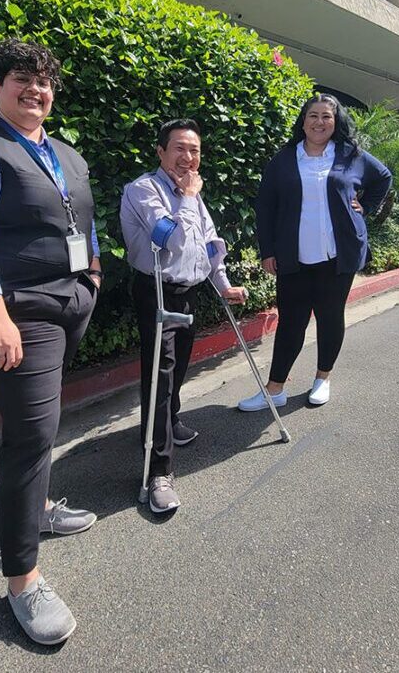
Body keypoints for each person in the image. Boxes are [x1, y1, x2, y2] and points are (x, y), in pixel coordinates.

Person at [0, 39, 102, 645]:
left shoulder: (66, 153)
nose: (35, 90)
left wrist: (94, 274)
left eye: (44, 82)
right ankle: (23, 579)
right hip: (18, 311)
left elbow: (83, 219)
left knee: (45, 422)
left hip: (71, 301)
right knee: (30, 435)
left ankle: (37, 508)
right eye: (21, 79)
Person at [120, 119, 247, 513]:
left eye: (194, 150)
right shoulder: (144, 190)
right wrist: (189, 199)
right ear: (161, 152)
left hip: (189, 293)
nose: (188, 158)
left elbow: (209, 243)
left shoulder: (194, 194)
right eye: (179, 148)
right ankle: (158, 471)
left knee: (178, 368)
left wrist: (223, 284)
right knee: (160, 374)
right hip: (156, 290)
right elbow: (168, 239)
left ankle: (167, 424)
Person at [238, 93, 392, 411]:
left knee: (329, 317)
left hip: (339, 255)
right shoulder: (283, 160)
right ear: (303, 121)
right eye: (313, 115)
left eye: (326, 116)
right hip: (294, 256)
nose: (319, 122)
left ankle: (322, 378)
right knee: (291, 322)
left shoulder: (351, 155)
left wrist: (365, 206)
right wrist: (267, 250)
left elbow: (383, 178)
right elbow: (265, 207)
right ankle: (275, 389)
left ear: (336, 122)